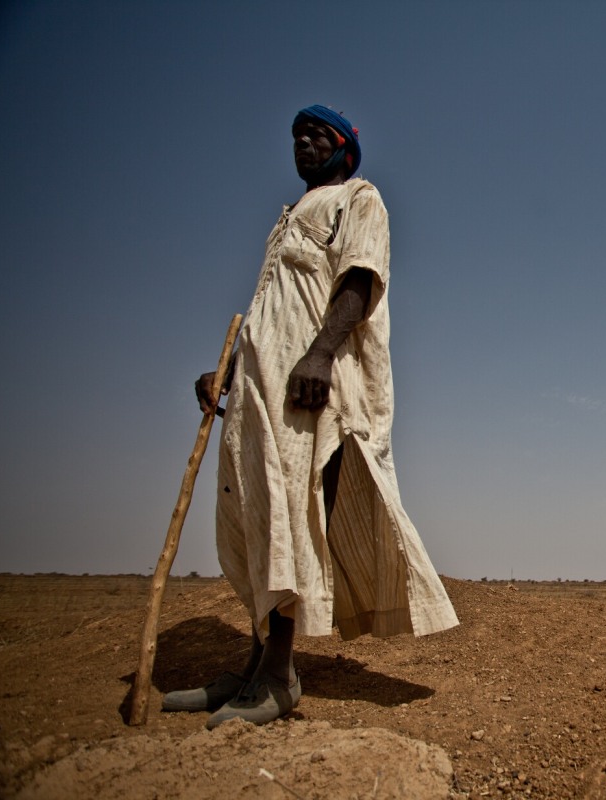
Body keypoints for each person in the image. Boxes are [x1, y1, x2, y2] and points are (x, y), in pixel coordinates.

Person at [162, 105, 458, 729]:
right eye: (297, 133)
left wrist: (322, 354)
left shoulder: (359, 198)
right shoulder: (286, 220)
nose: (303, 141)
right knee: (254, 519)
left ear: (346, 147)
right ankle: (252, 667)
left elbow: (359, 277)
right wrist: (230, 376)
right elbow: (273, 315)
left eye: (318, 133)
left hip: (310, 390)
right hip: (261, 390)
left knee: (291, 516)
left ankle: (277, 677)